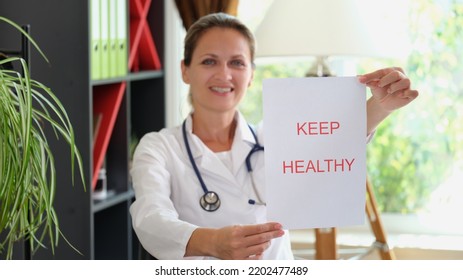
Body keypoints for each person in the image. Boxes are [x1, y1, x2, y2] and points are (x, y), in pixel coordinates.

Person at [129, 12, 418, 260]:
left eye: (237, 63)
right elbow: (151, 219)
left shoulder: (276, 135)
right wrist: (214, 242)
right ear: (185, 70)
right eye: (209, 61)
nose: (224, 74)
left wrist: (380, 105)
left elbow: (332, 144)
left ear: (251, 75)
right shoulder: (159, 148)